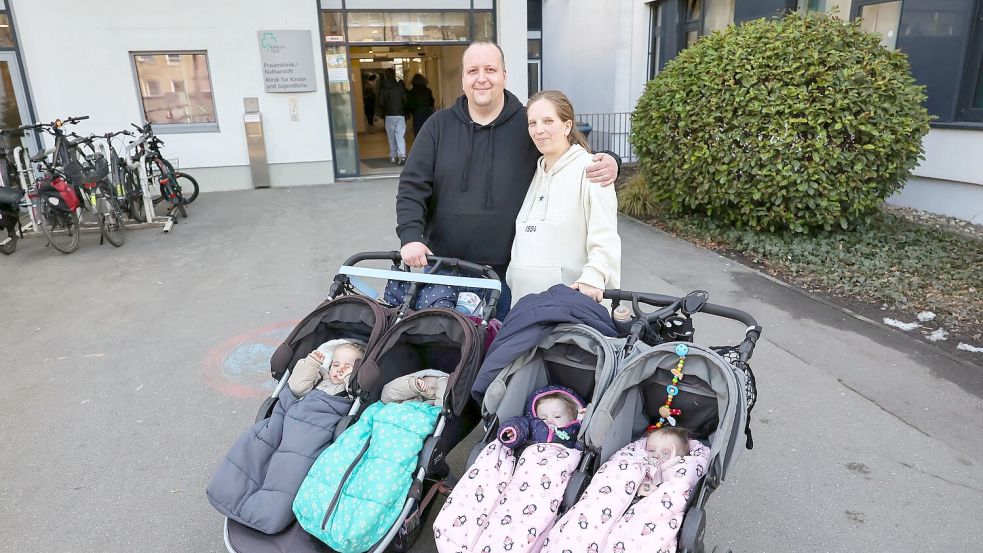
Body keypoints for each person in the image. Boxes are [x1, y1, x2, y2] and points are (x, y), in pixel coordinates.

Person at [396, 41, 621, 321]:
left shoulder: (527, 123)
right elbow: (412, 186)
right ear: (463, 78)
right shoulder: (438, 126)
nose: (481, 78)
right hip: (444, 269)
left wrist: (611, 159)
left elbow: (564, 147)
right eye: (473, 70)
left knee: (499, 354)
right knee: (446, 351)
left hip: (506, 275)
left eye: (490, 69)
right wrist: (409, 237)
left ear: (504, 75)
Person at [507, 90, 621, 304]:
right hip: (524, 307)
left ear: (567, 126)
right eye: (533, 123)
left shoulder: (591, 169)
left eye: (548, 121)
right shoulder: (536, 173)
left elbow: (605, 235)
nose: (539, 130)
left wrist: (594, 276)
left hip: (569, 310)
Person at [497, 385, 586, 450]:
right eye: (543, 418)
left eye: (557, 416)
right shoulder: (533, 426)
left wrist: (582, 418)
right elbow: (521, 423)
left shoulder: (575, 431)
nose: (549, 420)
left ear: (573, 417)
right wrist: (514, 431)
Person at [287, 339, 365, 398]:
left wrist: (349, 377)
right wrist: (312, 364)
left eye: (347, 367)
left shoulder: (351, 390)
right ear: (330, 365)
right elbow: (297, 389)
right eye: (336, 365)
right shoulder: (319, 377)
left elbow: (355, 389)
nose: (339, 369)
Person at [636, 426, 691, 498]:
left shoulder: (677, 469)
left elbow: (674, 484)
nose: (656, 455)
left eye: (665, 453)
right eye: (651, 450)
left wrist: (668, 467)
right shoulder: (642, 463)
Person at [378, 68, 408, 165]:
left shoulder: (383, 88)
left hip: (389, 115)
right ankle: (402, 155)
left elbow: (380, 102)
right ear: (394, 74)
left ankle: (393, 156)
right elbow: (405, 100)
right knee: (400, 135)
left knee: (391, 137)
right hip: (400, 114)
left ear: (386, 75)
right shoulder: (400, 87)